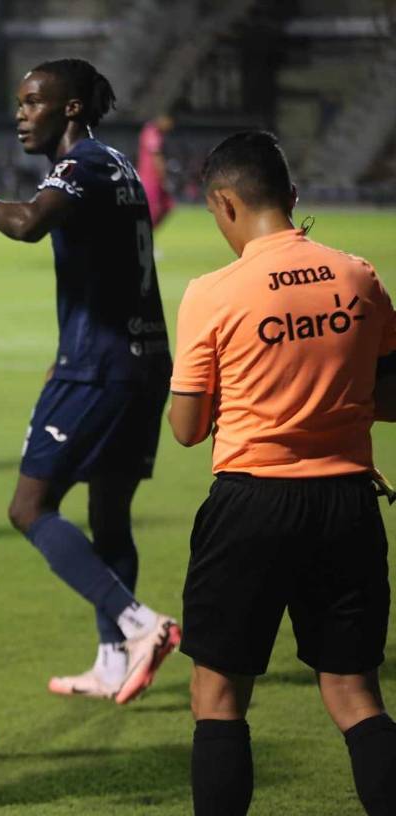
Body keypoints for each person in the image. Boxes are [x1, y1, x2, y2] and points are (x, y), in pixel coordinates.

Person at [169, 130, 396, 816]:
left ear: (225, 204)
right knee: (355, 693)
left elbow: (186, 428)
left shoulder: (212, 292)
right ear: (292, 197)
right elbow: (391, 395)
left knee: (219, 696)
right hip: (347, 503)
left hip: (252, 506)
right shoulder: (357, 275)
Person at [0, 58, 179, 704]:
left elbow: (27, 223)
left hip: (98, 367)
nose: (20, 115)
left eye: (32, 103)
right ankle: (112, 662)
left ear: (70, 108)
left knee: (30, 508)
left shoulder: (79, 167)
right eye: (20, 103)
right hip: (141, 360)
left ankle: (140, 624)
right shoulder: (119, 164)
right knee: (109, 513)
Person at [138, 114, 175, 230]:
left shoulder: (157, 133)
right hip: (149, 179)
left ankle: (148, 234)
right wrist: (164, 179)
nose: (170, 127)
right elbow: (156, 158)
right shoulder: (151, 132)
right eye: (170, 122)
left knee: (168, 206)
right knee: (151, 211)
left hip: (155, 179)